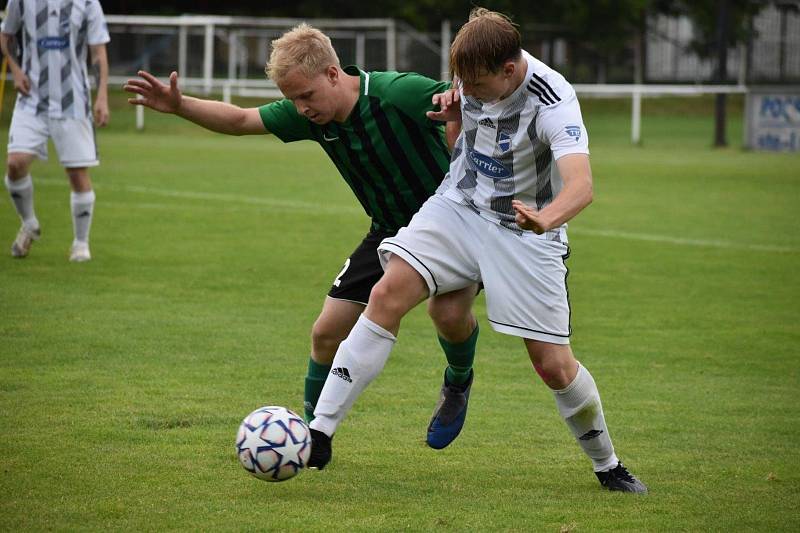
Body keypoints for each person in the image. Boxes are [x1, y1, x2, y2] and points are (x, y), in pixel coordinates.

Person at [308, 8, 647, 493]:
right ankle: (320, 431)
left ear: (509, 70)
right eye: (461, 82)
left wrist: (544, 219)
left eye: (477, 84)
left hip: (527, 230)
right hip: (460, 205)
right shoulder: (471, 78)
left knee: (553, 365)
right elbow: (464, 144)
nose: (467, 90)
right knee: (388, 294)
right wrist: (453, 120)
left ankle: (607, 464)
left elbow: (582, 186)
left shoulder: (554, 100)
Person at [124, 24, 481, 441]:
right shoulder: (310, 114)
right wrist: (180, 104)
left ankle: (457, 381)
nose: (301, 108)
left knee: (448, 314)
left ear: (333, 74)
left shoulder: (397, 93)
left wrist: (457, 103)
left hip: (451, 227)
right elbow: (241, 119)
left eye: (306, 96)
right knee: (326, 331)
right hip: (388, 230)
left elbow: (467, 104)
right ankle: (310, 437)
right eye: (292, 99)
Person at [1, 0, 110, 262]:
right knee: (15, 164)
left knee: (76, 173)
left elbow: (98, 53)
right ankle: (29, 223)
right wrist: (15, 70)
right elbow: (6, 36)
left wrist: (102, 95)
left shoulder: (87, 3)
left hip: (72, 102)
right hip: (31, 100)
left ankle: (81, 244)